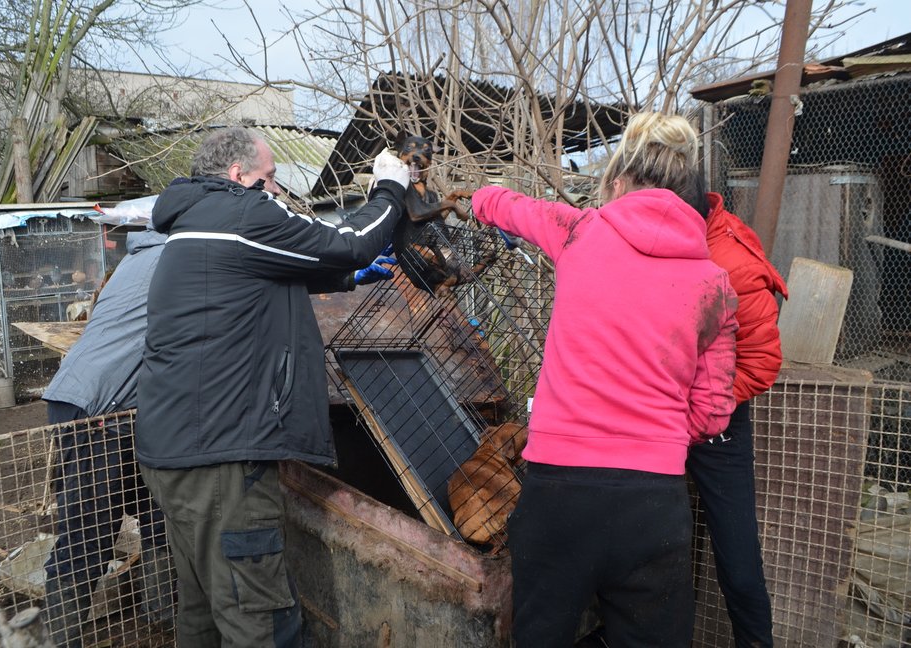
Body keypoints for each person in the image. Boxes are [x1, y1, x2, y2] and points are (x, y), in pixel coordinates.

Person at [469, 111, 739, 647]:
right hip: (652, 504)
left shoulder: (580, 229)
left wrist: (477, 198)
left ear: (617, 182)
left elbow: (502, 205)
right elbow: (712, 413)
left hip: (559, 492)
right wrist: (654, 438)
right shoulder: (714, 283)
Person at [135, 127, 408, 648]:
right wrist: (389, 190)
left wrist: (348, 278)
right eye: (272, 178)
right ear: (239, 176)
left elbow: (264, 273)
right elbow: (349, 242)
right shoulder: (244, 211)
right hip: (223, 457)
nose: (278, 191)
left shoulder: (197, 222)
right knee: (258, 619)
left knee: (206, 611)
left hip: (174, 451)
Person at [42, 226, 174, 648]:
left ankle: (163, 616)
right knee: (89, 534)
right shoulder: (174, 260)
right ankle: (58, 640)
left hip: (114, 408)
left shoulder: (135, 259)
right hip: (98, 410)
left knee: (158, 512)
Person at [686, 190, 788, 647]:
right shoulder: (664, 242)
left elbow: (761, 363)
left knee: (737, 555)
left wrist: (707, 408)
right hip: (660, 409)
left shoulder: (731, 260)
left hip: (717, 418)